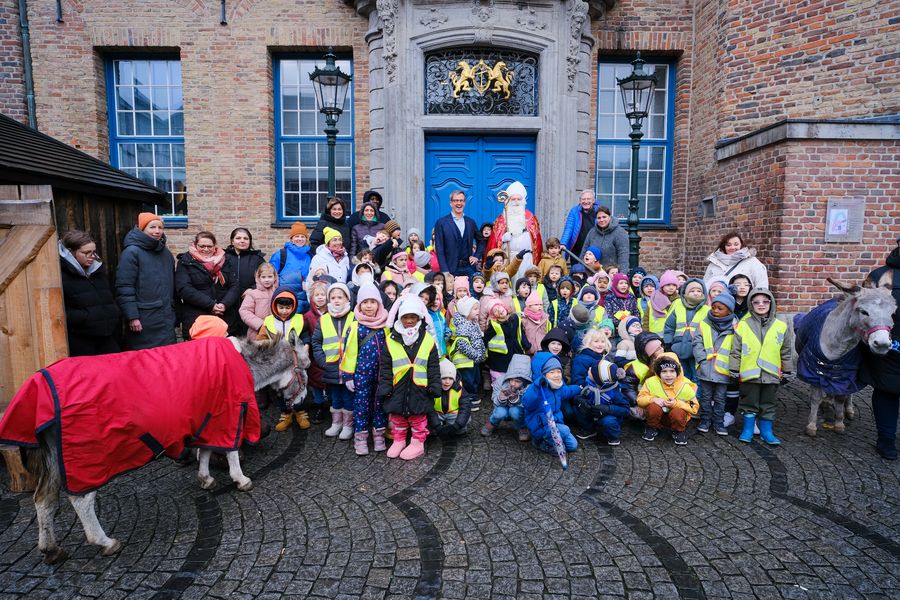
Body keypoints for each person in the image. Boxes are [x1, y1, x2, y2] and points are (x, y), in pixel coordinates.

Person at [378, 296, 442, 460]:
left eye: (413, 317)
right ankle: (399, 440)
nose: (409, 321)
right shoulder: (391, 339)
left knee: (418, 418)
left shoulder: (427, 339)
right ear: (400, 318)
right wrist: (385, 386)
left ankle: (417, 443)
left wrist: (435, 385)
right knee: (398, 417)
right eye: (405, 317)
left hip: (420, 387)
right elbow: (385, 367)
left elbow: (433, 365)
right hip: (397, 386)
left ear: (418, 318)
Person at [730, 288, 793, 445]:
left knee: (768, 404)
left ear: (771, 303)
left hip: (771, 374)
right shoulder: (743, 326)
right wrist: (734, 369)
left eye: (765, 301)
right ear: (751, 304)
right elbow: (735, 350)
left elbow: (785, 351)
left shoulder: (781, 326)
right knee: (748, 403)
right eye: (756, 302)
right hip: (749, 374)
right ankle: (748, 430)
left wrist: (787, 370)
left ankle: (766, 431)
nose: (761, 304)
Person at [339, 284, 389, 456]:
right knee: (361, 405)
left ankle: (379, 435)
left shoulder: (386, 325)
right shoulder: (355, 326)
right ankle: (360, 437)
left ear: (379, 304)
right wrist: (348, 375)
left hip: (382, 374)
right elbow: (348, 353)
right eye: (365, 302)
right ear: (359, 305)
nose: (369, 306)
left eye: (372, 302)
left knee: (379, 404)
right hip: (361, 375)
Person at [862, 236, 900, 460]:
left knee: (887, 391)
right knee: (887, 391)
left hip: (887, 342)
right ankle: (886, 439)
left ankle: (887, 440)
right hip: (887, 343)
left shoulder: (879, 274)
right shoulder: (880, 276)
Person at [116, 213, 176, 350]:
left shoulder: (165, 253)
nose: (157, 231)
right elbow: (124, 287)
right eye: (152, 227)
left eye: (160, 227)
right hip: (145, 318)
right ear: (142, 228)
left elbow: (172, 286)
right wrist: (132, 316)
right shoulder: (132, 252)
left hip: (165, 316)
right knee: (145, 359)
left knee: (167, 357)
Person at [58, 230, 121, 356]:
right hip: (81, 340)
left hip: (106, 336)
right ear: (71, 253)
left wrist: (114, 312)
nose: (92, 256)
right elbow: (58, 310)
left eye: (93, 252)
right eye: (86, 253)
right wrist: (85, 316)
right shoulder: (60, 275)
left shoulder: (98, 271)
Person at [258, 288, 311, 432]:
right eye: (281, 307)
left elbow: (306, 335)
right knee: (280, 389)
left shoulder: (299, 319)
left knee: (299, 386)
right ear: (275, 306)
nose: (284, 311)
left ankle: (300, 412)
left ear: (293, 307)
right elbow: (260, 339)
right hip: (278, 362)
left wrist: (306, 346)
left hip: (295, 362)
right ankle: (285, 413)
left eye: (288, 307)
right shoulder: (268, 322)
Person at [175, 231, 239, 341]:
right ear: (195, 245)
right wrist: (211, 305)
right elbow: (184, 289)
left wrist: (224, 304)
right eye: (202, 246)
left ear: (215, 247)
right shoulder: (185, 262)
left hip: (224, 317)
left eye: (209, 246)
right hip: (198, 320)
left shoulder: (226, 260)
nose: (206, 249)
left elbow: (234, 286)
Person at [312, 282, 355, 440]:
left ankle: (348, 425)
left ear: (347, 299)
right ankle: (336, 423)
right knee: (335, 397)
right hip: (331, 366)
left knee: (348, 397)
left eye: (340, 297)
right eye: (333, 297)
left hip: (349, 367)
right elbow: (316, 342)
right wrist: (322, 361)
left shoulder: (354, 317)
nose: (336, 300)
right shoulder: (323, 320)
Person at [692, 292, 736, 435]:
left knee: (720, 398)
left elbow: (737, 347)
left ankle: (718, 421)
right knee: (705, 396)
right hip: (706, 368)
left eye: (720, 309)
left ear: (729, 311)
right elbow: (697, 342)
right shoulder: (704, 323)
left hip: (723, 369)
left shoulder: (735, 328)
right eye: (714, 307)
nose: (716, 311)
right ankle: (705, 419)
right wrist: (702, 359)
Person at [486, 181, 544, 280]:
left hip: (526, 260)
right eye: (513, 199)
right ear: (508, 201)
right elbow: (494, 243)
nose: (516, 202)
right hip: (508, 259)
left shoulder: (531, 218)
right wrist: (503, 240)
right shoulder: (502, 220)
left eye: (519, 199)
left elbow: (537, 242)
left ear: (523, 201)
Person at [523, 356, 580, 456]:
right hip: (541, 424)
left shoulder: (558, 387)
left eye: (558, 372)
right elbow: (527, 403)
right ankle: (541, 442)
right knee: (565, 430)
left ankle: (553, 440)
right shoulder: (537, 388)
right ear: (544, 374)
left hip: (556, 423)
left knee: (572, 446)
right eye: (552, 372)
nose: (556, 375)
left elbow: (568, 391)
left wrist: (579, 388)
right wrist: (536, 387)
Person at [637, 354, 699, 445]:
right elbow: (640, 400)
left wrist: (676, 404)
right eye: (664, 371)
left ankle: (679, 431)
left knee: (678, 412)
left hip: (677, 418)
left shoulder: (685, 385)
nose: (668, 375)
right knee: (653, 407)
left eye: (672, 371)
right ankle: (652, 427)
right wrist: (653, 399)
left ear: (678, 372)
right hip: (659, 416)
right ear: (658, 372)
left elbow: (694, 407)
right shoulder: (651, 382)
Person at [224, 227, 267, 336]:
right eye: (238, 238)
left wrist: (252, 289)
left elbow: (266, 278)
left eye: (246, 238)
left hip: (250, 305)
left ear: (250, 241)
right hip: (228, 305)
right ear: (232, 241)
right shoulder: (223, 258)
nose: (242, 241)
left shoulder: (257, 259)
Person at [577, 359, 630, 446]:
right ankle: (590, 430)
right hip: (592, 411)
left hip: (607, 414)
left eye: (592, 370)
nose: (589, 369)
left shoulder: (615, 392)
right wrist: (581, 401)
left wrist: (608, 409)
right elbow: (580, 395)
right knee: (579, 408)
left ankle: (613, 436)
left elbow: (625, 409)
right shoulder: (588, 383)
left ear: (598, 378)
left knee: (609, 421)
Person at [665, 278, 709, 381]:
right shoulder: (678, 307)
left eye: (699, 291)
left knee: (697, 376)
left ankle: (695, 396)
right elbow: (669, 326)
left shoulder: (707, 310)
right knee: (682, 376)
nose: (696, 293)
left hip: (697, 349)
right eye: (692, 291)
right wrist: (668, 342)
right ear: (685, 293)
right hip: (678, 346)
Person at [481, 353, 532, 441]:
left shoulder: (529, 387)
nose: (513, 383)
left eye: (517, 381)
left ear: (524, 381)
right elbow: (494, 399)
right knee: (499, 412)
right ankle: (492, 422)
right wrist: (501, 397)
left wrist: (515, 399)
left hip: (517, 410)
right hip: (502, 408)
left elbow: (528, 404)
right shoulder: (501, 381)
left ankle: (522, 427)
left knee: (515, 411)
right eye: (511, 379)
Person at [433, 189, 479, 279]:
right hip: (450, 269)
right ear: (451, 203)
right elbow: (439, 249)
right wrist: (445, 271)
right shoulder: (441, 223)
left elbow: (481, 240)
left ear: (464, 203)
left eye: (461, 200)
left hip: (468, 268)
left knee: (472, 292)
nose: (459, 203)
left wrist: (476, 256)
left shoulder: (470, 222)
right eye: (456, 200)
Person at [703, 231, 769, 290]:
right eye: (728, 245)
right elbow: (705, 285)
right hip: (715, 302)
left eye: (736, 244)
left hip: (743, 303)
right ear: (724, 246)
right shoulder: (714, 262)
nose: (732, 247)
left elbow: (762, 286)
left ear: (741, 245)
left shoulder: (752, 262)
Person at [303, 279, 329, 423]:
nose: (320, 297)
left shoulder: (333, 313)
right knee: (316, 380)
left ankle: (332, 405)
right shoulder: (307, 316)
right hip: (314, 355)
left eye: (323, 294)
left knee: (330, 381)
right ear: (311, 297)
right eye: (316, 294)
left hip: (330, 353)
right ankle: (319, 405)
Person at [428, 359, 472, 438]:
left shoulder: (459, 387)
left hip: (452, 414)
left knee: (466, 420)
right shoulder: (433, 388)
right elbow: (429, 409)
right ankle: (437, 428)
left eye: (451, 378)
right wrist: (437, 426)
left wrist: (457, 425)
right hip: (437, 414)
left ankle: (455, 429)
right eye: (444, 378)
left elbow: (465, 407)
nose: (447, 382)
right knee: (428, 426)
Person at [580, 206, 629, 272]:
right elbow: (584, 251)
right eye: (599, 218)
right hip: (592, 273)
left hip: (611, 274)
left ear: (609, 217)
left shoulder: (620, 233)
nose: (602, 220)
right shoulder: (592, 232)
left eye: (604, 217)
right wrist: (580, 270)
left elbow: (623, 256)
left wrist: (622, 276)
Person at [239, 263, 279, 341]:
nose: (267, 280)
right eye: (263, 277)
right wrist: (260, 324)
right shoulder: (252, 294)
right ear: (258, 278)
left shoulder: (278, 293)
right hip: (256, 333)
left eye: (270, 276)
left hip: (275, 332)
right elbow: (244, 311)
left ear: (275, 277)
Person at [270, 221, 312, 289]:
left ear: (306, 239)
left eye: (302, 236)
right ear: (291, 239)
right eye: (297, 236)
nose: (300, 239)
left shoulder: (310, 255)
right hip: (285, 295)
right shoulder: (281, 255)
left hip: (306, 296)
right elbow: (270, 274)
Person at [560, 189, 600, 258]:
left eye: (588, 199)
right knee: (576, 268)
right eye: (583, 199)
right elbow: (569, 228)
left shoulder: (599, 211)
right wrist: (563, 243)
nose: (586, 201)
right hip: (577, 249)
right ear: (580, 201)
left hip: (593, 249)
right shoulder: (574, 211)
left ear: (593, 200)